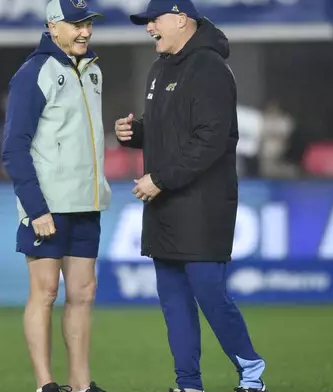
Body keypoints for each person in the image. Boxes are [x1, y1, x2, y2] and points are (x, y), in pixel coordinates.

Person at [114, 1, 268, 391]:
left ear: (181, 19)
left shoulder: (211, 68)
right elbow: (174, 131)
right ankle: (188, 385)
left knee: (210, 295)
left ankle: (252, 373)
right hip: (164, 206)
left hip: (202, 206)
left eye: (154, 20)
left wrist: (160, 178)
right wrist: (138, 133)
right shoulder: (160, 68)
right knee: (174, 304)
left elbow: (211, 140)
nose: (149, 28)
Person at [1, 0, 111, 391]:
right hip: (46, 207)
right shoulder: (34, 72)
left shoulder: (93, 71)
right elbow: (14, 148)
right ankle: (46, 385)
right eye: (77, 24)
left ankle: (80, 385)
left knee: (83, 294)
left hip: (87, 203)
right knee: (45, 292)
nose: (85, 31)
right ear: (53, 26)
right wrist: (36, 208)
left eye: (89, 24)